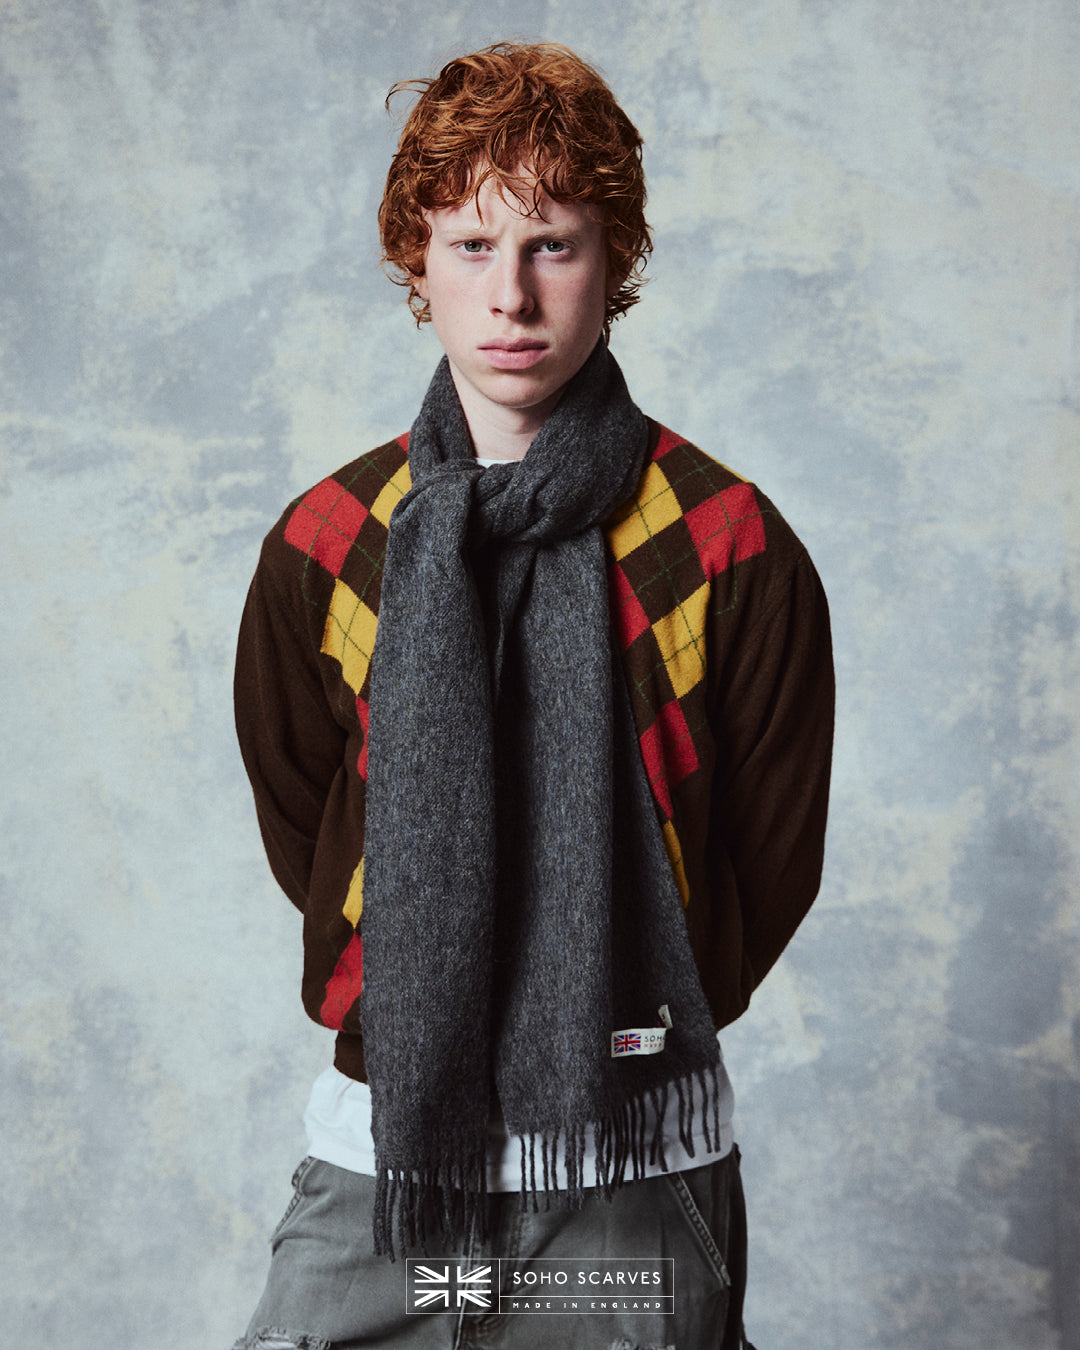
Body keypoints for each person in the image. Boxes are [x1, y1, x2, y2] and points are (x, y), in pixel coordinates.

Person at [231, 40, 833, 1350]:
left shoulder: (727, 543)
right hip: (387, 1162)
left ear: (614, 262)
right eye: (470, 245)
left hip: (628, 1174)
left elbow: (769, 857)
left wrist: (619, 1022)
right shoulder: (332, 540)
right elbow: (313, 824)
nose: (511, 293)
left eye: (553, 244)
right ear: (417, 264)